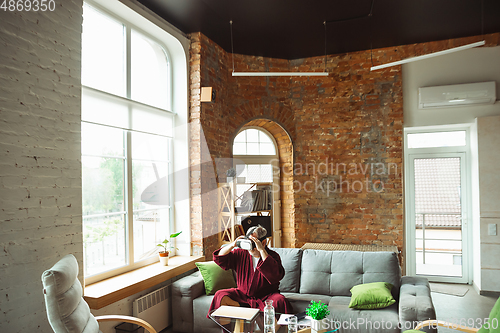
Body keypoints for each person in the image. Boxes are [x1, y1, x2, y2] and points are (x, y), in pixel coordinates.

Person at [207, 225, 293, 316]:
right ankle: (241, 310)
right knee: (220, 295)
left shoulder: (273, 256)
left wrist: (262, 251)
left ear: (263, 242)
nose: (250, 247)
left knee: (280, 301)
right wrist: (233, 245)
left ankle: (262, 322)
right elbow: (220, 258)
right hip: (243, 296)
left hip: (266, 296)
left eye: (253, 243)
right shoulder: (241, 253)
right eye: (249, 242)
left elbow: (276, 276)